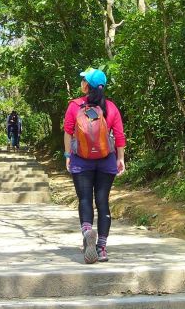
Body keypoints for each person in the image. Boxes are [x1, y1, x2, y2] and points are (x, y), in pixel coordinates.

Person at [63, 68, 125, 264]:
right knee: (103, 201)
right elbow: (120, 135)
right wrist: (120, 158)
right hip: (106, 159)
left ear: (86, 85)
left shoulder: (75, 105)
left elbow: (68, 131)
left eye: (83, 80)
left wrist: (67, 155)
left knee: (84, 200)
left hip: (81, 159)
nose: (81, 82)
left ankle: (88, 232)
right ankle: (102, 248)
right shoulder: (111, 107)